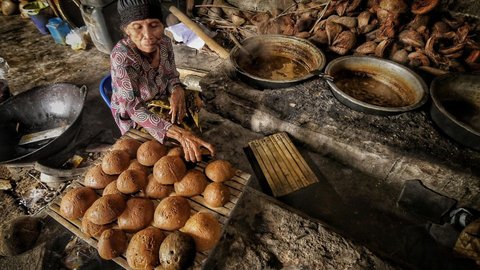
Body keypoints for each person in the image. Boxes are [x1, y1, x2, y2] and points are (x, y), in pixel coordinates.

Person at [111, 0, 215, 162]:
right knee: (161, 153)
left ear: (162, 25)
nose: (148, 35)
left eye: (154, 25)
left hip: (160, 97)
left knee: (196, 100)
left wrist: (176, 90)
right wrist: (177, 133)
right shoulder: (123, 57)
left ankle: (189, 134)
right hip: (136, 113)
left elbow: (172, 76)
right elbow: (132, 108)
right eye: (137, 27)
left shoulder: (164, 43)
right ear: (126, 30)